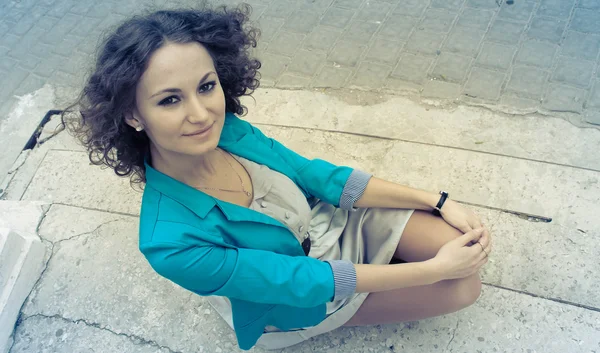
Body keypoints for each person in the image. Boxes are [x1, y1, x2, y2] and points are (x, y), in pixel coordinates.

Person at [65, 5, 492, 351]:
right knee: (462, 287)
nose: (201, 114)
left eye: (206, 87)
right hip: (305, 291)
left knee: (462, 242)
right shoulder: (168, 242)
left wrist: (436, 200)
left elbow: (315, 176)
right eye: (170, 99)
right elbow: (303, 281)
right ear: (132, 115)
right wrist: (433, 271)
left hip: (328, 225)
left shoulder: (229, 130)